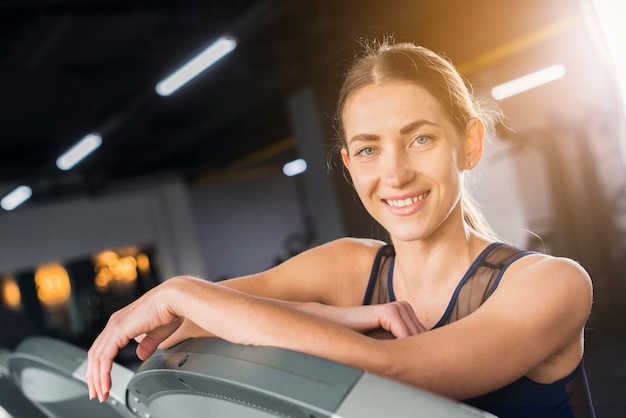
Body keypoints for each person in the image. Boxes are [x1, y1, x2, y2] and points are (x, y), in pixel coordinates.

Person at [86, 39, 595, 417]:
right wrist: (328, 315)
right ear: (350, 167)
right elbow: (181, 331)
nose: (394, 174)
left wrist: (183, 289)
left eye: (420, 139)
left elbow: (401, 371)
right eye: (370, 150)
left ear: (470, 144)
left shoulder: (550, 286)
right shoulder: (349, 267)